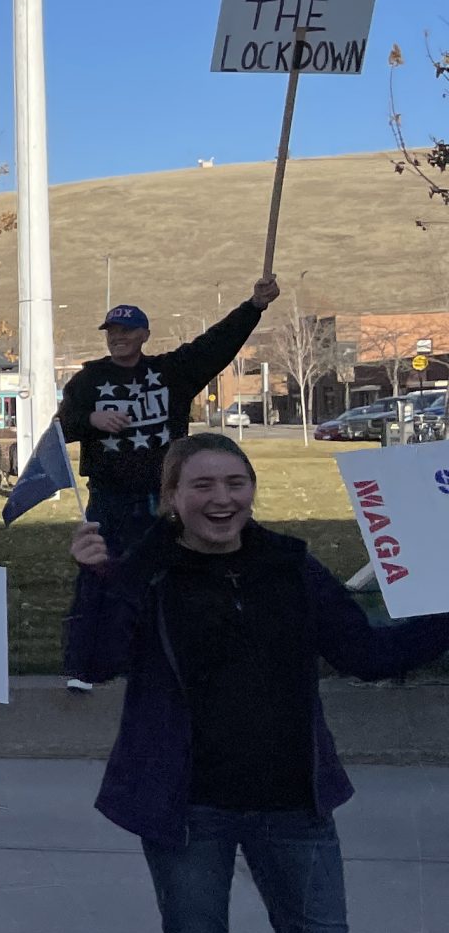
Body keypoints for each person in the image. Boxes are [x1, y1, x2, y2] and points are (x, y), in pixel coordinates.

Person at [67, 432, 449, 933]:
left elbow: (368, 655)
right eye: (202, 485)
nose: (221, 499)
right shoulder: (145, 571)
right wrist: (96, 580)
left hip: (292, 806)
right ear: (172, 497)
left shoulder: (290, 567)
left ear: (251, 489)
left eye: (235, 482)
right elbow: (93, 660)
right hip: (187, 809)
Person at [59, 280, 277, 688]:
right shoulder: (88, 381)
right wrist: (92, 419)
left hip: (166, 498)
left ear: (144, 335)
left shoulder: (169, 373)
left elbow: (216, 344)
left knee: (177, 575)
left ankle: (180, 658)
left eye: (126, 332)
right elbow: (62, 426)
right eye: (112, 333)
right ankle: (83, 666)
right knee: (97, 575)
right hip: (110, 497)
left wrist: (254, 306)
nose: (118, 339)